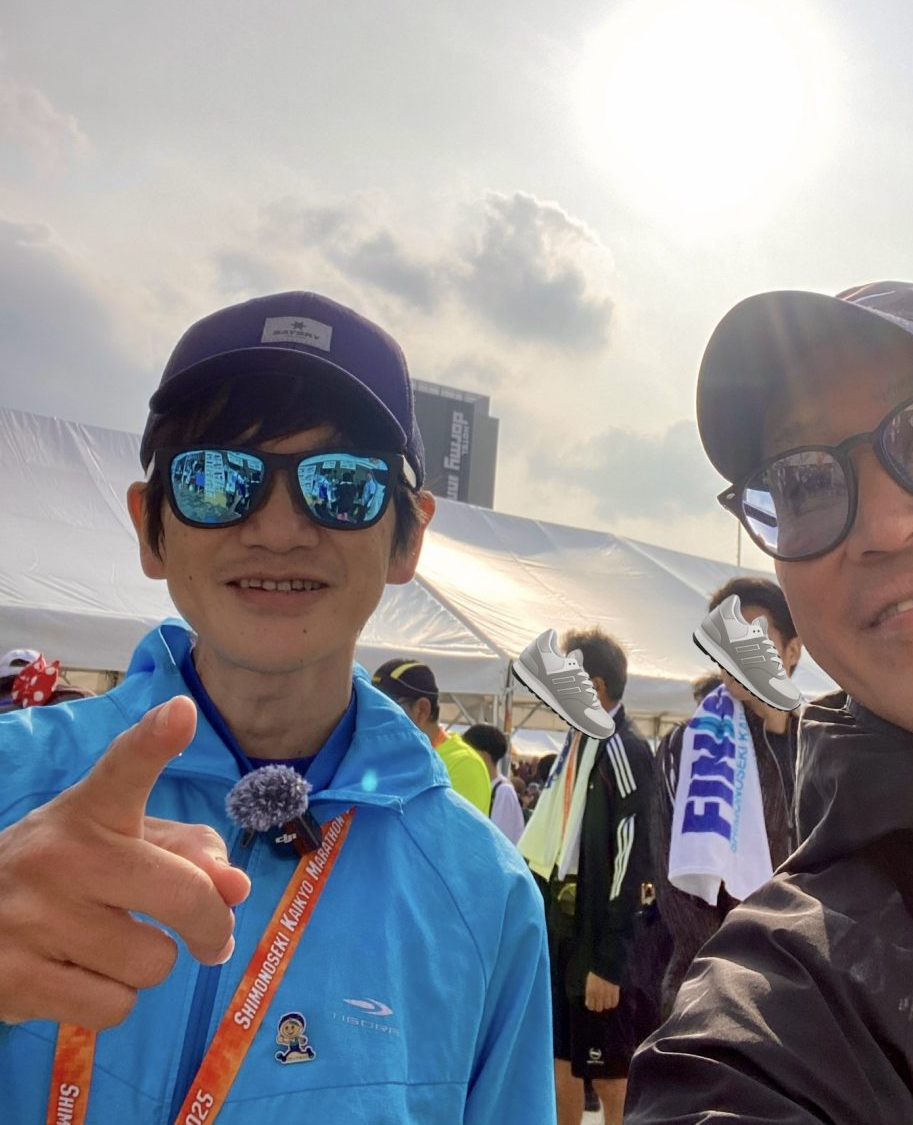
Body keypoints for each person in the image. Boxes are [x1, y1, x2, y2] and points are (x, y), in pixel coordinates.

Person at [0, 289, 554, 1123]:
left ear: (408, 537)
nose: (280, 528)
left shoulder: (485, 896)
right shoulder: (14, 779)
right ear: (150, 528)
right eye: (218, 479)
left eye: (342, 483)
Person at [626, 281, 913, 1122]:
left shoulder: (796, 739)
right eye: (803, 484)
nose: (883, 524)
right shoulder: (782, 1014)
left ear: (791, 650)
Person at [519, 628, 655, 1125]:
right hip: (563, 931)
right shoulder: (576, 744)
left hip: (598, 939)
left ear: (595, 686)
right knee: (560, 1063)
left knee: (610, 1073)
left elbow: (631, 860)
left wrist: (610, 960)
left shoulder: (624, 749)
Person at [651, 577, 802, 1015]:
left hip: (807, 984)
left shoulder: (821, 744)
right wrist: (732, 979)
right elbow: (676, 886)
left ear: (792, 652)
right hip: (710, 989)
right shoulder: (688, 745)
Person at [370, 658, 491, 815]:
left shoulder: (464, 765)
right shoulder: (394, 758)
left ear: (422, 710)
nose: (374, 720)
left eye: (385, 709)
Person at [461, 722, 526, 843]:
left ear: (483, 756)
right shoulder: (484, 787)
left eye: (467, 751)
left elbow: (500, 841)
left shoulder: (503, 791)